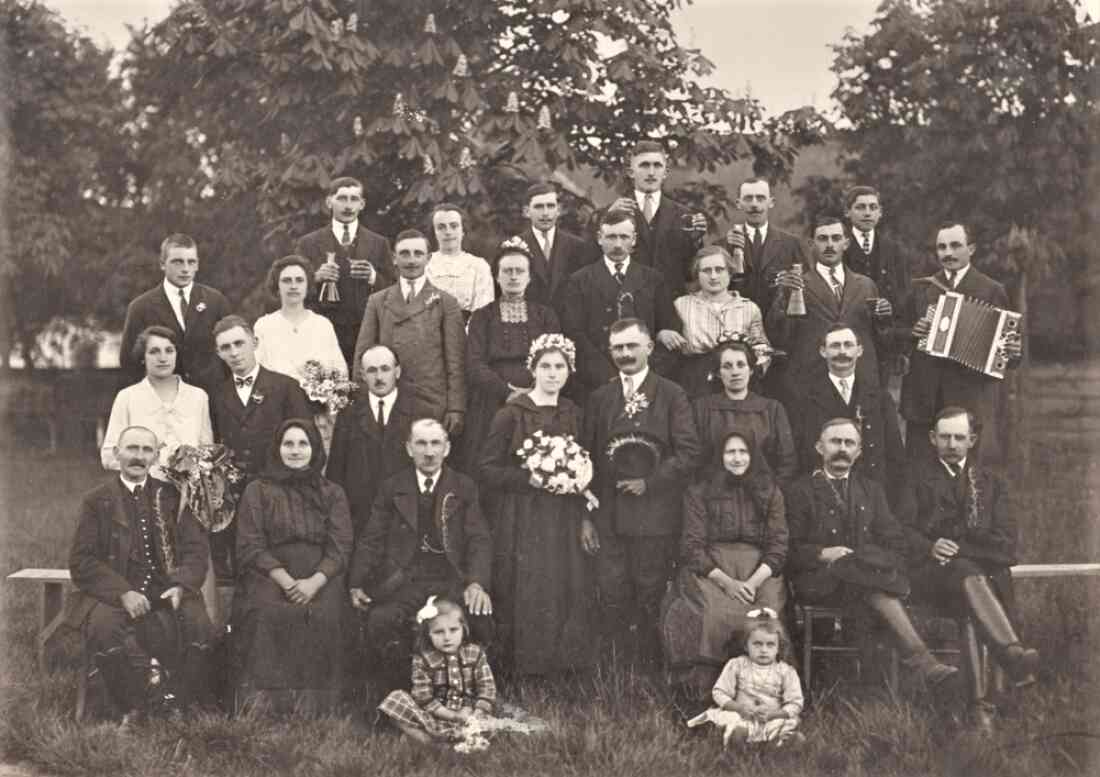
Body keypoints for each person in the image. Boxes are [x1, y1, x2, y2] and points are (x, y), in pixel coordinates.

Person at [785, 418, 959, 692]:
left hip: (864, 582)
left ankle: (906, 672)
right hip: (821, 581)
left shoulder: (871, 489)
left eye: (849, 443)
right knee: (873, 583)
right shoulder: (799, 491)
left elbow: (895, 541)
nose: (842, 449)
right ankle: (921, 663)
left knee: (865, 578)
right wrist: (822, 553)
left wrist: (863, 557)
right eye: (835, 442)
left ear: (859, 451)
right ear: (819, 447)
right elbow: (788, 550)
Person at [897, 407, 1037, 732]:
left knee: (968, 600)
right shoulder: (914, 478)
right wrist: (929, 546)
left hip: (978, 582)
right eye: (944, 436)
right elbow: (901, 530)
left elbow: (1006, 546)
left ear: (972, 440)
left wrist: (961, 548)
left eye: (960, 437)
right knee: (963, 576)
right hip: (930, 577)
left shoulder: (993, 484)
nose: (952, 444)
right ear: (932, 438)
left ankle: (979, 710)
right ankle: (1012, 655)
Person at [65, 426, 216, 723]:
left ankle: (174, 701)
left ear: (157, 456)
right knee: (103, 628)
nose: (138, 456)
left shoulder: (174, 497)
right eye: (132, 448)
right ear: (117, 453)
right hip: (115, 591)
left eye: (147, 450)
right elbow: (81, 560)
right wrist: (122, 592)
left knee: (200, 626)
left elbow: (196, 551)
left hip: (166, 588)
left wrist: (180, 585)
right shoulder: (97, 500)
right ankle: (131, 707)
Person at [583, 318, 700, 668]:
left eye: (632, 346)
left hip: (655, 515)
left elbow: (689, 452)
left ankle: (650, 671)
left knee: (650, 592)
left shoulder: (671, 393)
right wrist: (587, 517)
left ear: (649, 347)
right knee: (612, 592)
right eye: (618, 348)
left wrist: (650, 483)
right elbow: (586, 460)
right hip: (610, 516)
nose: (625, 354)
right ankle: (615, 672)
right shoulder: (601, 397)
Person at [478, 334, 595, 677]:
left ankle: (562, 667)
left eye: (560, 366)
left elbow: (588, 468)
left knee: (564, 583)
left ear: (570, 371)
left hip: (564, 515)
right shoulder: (511, 414)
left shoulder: (574, 413)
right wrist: (524, 479)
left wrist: (585, 515)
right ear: (532, 369)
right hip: (523, 516)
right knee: (528, 586)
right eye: (545, 366)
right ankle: (524, 668)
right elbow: (486, 468)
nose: (552, 374)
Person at [348, 419, 493, 693]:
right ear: (409, 448)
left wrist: (476, 584)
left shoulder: (463, 486)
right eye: (421, 443)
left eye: (436, 443)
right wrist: (356, 582)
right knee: (381, 620)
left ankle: (470, 694)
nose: (429, 452)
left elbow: (479, 539)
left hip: (451, 580)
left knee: (480, 615)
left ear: (447, 448)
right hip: (405, 581)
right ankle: (399, 693)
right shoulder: (392, 487)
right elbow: (372, 539)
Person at [232, 419, 354, 715]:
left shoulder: (332, 492)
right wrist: (285, 580)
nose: (296, 451)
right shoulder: (257, 490)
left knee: (326, 615)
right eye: (288, 444)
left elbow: (341, 545)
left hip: (320, 574)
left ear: (314, 449)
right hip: (270, 573)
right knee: (266, 613)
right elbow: (250, 544)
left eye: (303, 444)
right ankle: (267, 706)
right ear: (277, 449)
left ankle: (317, 707)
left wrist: (314, 582)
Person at [662, 432, 788, 698]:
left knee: (767, 613)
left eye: (743, 452)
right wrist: (726, 582)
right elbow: (692, 546)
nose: (737, 458)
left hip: (759, 569)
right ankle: (707, 692)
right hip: (712, 567)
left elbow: (778, 545)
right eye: (730, 452)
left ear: (753, 456)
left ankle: (764, 692)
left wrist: (753, 583)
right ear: (720, 456)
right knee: (713, 613)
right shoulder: (699, 491)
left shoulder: (770, 491)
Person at [901, 222, 1021, 463]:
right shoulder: (922, 288)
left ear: (972, 249)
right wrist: (912, 332)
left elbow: (1008, 354)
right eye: (942, 247)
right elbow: (896, 332)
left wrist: (1012, 351)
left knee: (964, 477)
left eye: (956, 245)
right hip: (923, 398)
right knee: (919, 474)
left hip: (967, 398)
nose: (948, 253)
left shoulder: (991, 290)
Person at [209, 315, 312, 578]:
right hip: (236, 496)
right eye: (225, 347)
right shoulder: (217, 395)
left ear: (254, 343)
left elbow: (308, 443)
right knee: (245, 565)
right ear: (218, 353)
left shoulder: (286, 386)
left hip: (281, 491)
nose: (234, 352)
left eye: (239, 343)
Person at [459, 238, 561, 473]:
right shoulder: (483, 317)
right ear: (497, 276)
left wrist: (535, 393)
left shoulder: (545, 315)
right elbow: (474, 364)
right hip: (491, 402)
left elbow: (556, 360)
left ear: (529, 277)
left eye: (519, 271)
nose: (513, 276)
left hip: (539, 401)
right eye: (507, 271)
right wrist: (507, 392)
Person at [353, 230, 467, 435]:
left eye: (418, 253)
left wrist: (456, 407)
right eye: (404, 254)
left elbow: (456, 361)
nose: (412, 260)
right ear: (394, 259)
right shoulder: (378, 301)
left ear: (428, 257)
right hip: (388, 398)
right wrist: (362, 402)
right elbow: (362, 356)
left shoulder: (446, 302)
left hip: (432, 401)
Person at [766, 215, 892, 400]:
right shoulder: (796, 284)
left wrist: (884, 319)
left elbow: (880, 339)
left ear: (846, 243)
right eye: (823, 239)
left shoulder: (866, 285)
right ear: (811, 244)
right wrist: (783, 298)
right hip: (810, 382)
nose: (830, 245)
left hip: (859, 380)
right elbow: (779, 336)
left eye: (836, 238)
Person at [563, 210, 682, 397]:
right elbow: (575, 335)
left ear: (634, 239)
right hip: (597, 383)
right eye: (611, 237)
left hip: (648, 381)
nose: (618, 244)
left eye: (624, 237)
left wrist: (646, 376)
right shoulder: (579, 281)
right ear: (599, 238)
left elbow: (670, 330)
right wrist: (607, 377)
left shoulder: (653, 280)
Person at [787, 324, 904, 504]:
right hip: (822, 496)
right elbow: (798, 453)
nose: (842, 352)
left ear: (859, 350)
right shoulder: (803, 398)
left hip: (872, 496)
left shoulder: (880, 397)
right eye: (835, 346)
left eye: (848, 345)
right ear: (822, 351)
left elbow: (895, 455)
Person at [296, 177, 395, 366]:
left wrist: (373, 277)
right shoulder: (307, 243)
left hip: (367, 331)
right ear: (329, 202)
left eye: (354, 199)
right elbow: (292, 287)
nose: (348, 205)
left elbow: (394, 289)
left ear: (362, 204)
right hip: (322, 331)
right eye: (342, 198)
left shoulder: (378, 243)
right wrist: (315, 277)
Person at [120, 233, 232, 395]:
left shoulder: (216, 301)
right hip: (163, 400)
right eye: (177, 262)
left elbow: (230, 352)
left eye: (191, 262)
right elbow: (129, 362)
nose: (185, 269)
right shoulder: (140, 307)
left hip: (211, 399)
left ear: (197, 265)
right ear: (162, 264)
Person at [378, 596, 497, 744]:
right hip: (436, 714)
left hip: (468, 714)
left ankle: (454, 737)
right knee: (395, 700)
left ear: (463, 628)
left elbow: (487, 687)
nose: (447, 637)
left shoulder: (475, 653)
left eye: (453, 630)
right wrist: (452, 716)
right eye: (439, 632)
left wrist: (477, 713)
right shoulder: (423, 658)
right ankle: (428, 740)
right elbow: (423, 697)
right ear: (428, 634)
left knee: (490, 725)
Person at [327, 345, 416, 537]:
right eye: (372, 370)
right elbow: (336, 471)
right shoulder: (348, 414)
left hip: (407, 520)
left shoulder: (419, 412)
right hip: (361, 520)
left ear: (397, 371)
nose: (379, 377)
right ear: (362, 375)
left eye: (385, 369)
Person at [101, 326, 213, 478]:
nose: (162, 358)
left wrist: (192, 468)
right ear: (142, 357)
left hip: (189, 494)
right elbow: (108, 455)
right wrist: (148, 465)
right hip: (144, 491)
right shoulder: (127, 397)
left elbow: (207, 451)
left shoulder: (198, 396)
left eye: (169, 350)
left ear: (176, 355)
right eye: (154, 351)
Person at [602, 140, 705, 297]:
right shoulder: (612, 212)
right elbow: (591, 262)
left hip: (669, 304)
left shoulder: (683, 214)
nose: (651, 172)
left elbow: (691, 273)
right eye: (644, 165)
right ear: (631, 172)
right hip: (625, 303)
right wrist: (607, 220)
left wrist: (696, 241)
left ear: (665, 172)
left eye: (657, 165)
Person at [686, 610, 803, 746]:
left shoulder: (786, 671)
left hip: (771, 717)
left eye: (770, 645)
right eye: (757, 644)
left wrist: (774, 714)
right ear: (746, 645)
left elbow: (795, 703)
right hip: (742, 715)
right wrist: (739, 708)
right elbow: (719, 692)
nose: (764, 650)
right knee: (734, 721)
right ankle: (738, 739)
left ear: (778, 648)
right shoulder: (737, 665)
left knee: (783, 724)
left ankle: (782, 742)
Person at [691, 340, 797, 484]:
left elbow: (787, 461)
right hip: (713, 495)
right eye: (727, 367)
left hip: (763, 494)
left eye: (741, 365)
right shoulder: (702, 408)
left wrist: (771, 493)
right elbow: (694, 458)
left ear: (751, 370)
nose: (735, 372)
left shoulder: (772, 409)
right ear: (718, 373)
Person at [673, 245, 771, 399]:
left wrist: (753, 370)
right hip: (695, 383)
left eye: (719, 270)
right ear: (697, 274)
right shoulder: (682, 305)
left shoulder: (748, 308)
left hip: (737, 384)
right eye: (706, 270)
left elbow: (762, 349)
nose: (713, 276)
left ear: (730, 272)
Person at [842, 186, 912, 388]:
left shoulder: (894, 250)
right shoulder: (840, 247)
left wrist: (891, 308)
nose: (867, 212)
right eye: (860, 207)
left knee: (876, 397)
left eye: (873, 207)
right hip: (849, 334)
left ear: (880, 213)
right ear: (848, 212)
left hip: (883, 341)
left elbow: (904, 295)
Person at [254, 255, 348, 382]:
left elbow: (340, 372)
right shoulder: (264, 326)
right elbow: (258, 372)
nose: (293, 286)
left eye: (299, 280)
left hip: (317, 399)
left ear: (307, 285)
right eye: (287, 280)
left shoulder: (322, 325)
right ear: (277, 287)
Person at [725, 178, 811, 315]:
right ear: (738, 203)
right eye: (748, 198)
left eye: (760, 198)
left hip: (779, 324)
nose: (754, 204)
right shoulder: (724, 245)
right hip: (736, 322)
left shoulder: (792, 244)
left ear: (771, 202)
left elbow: (808, 289)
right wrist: (728, 248)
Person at [515, 182, 592, 318]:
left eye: (550, 206)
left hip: (568, 327)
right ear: (526, 212)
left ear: (559, 210)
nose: (545, 213)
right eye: (538, 207)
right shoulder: (513, 246)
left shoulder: (577, 247)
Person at [426, 203, 495, 321]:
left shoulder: (478, 266)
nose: (448, 232)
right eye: (441, 227)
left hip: (469, 334)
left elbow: (484, 311)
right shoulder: (424, 265)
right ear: (434, 232)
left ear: (463, 230)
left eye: (454, 226)